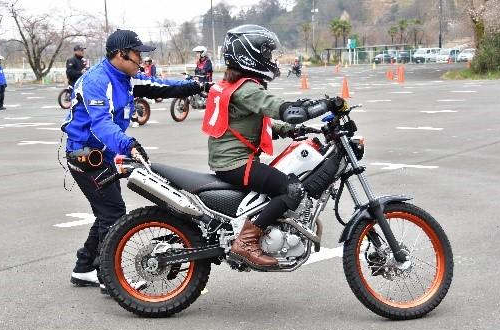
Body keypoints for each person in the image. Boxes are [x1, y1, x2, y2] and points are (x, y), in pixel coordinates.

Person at [62, 29, 211, 290]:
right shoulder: (97, 81)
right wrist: (128, 144)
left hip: (104, 153)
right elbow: (101, 124)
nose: (141, 59)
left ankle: (85, 267)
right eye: (137, 54)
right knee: (113, 211)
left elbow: (158, 86)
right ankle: (110, 277)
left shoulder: (125, 77)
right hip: (86, 156)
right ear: (121, 54)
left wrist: (195, 85)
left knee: (106, 211)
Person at [202, 25, 346, 267]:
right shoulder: (247, 89)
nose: (270, 58)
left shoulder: (235, 85)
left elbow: (249, 124)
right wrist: (327, 104)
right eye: (266, 53)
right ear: (249, 55)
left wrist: (291, 131)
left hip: (230, 160)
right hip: (236, 164)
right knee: (292, 190)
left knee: (283, 183)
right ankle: (247, 242)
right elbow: (289, 111)